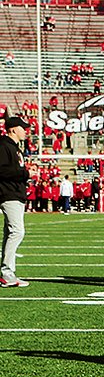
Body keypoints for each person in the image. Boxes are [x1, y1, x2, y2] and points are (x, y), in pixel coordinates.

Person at [0, 115, 31, 288]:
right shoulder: (4, 146)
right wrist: (26, 174)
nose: (25, 131)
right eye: (22, 128)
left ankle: (8, 272)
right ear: (13, 129)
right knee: (17, 232)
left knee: (11, 232)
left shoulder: (14, 147)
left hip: (15, 193)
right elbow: (3, 171)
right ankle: (6, 272)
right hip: (8, 193)